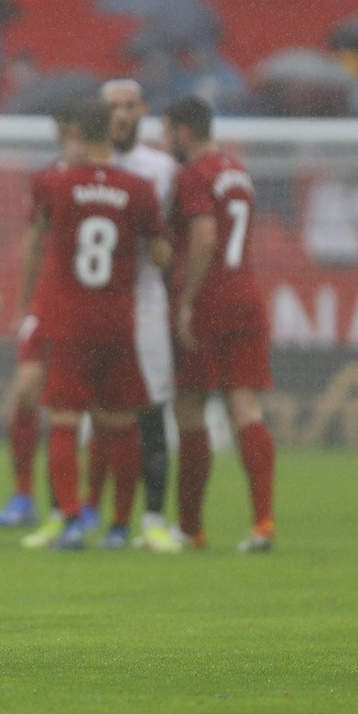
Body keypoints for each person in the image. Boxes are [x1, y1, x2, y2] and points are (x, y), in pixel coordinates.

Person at [22, 99, 170, 551]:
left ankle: (70, 520)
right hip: (117, 319)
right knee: (121, 422)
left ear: (76, 137)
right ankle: (121, 526)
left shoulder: (54, 182)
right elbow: (161, 255)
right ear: (111, 134)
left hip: (69, 320)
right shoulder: (140, 188)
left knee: (65, 419)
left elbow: (40, 236)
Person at [162, 96, 277, 553]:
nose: (163, 139)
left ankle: (192, 529)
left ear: (182, 132)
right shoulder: (236, 169)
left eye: (166, 129)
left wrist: (187, 301)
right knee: (245, 407)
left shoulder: (195, 174)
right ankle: (263, 523)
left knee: (190, 408)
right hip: (247, 296)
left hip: (209, 301)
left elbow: (206, 234)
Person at [100, 79, 180, 553]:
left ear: (143, 110)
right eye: (114, 107)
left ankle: (152, 518)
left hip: (146, 302)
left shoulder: (162, 169)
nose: (122, 115)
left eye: (131, 106)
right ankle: (93, 515)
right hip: (97, 305)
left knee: (151, 410)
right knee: (97, 416)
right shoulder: (86, 164)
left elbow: (173, 241)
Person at [0, 106, 82, 530]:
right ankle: (24, 495)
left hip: (94, 310)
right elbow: (33, 245)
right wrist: (22, 305)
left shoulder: (114, 179)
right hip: (48, 304)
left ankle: (78, 506)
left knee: (86, 410)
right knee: (26, 392)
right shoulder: (49, 180)